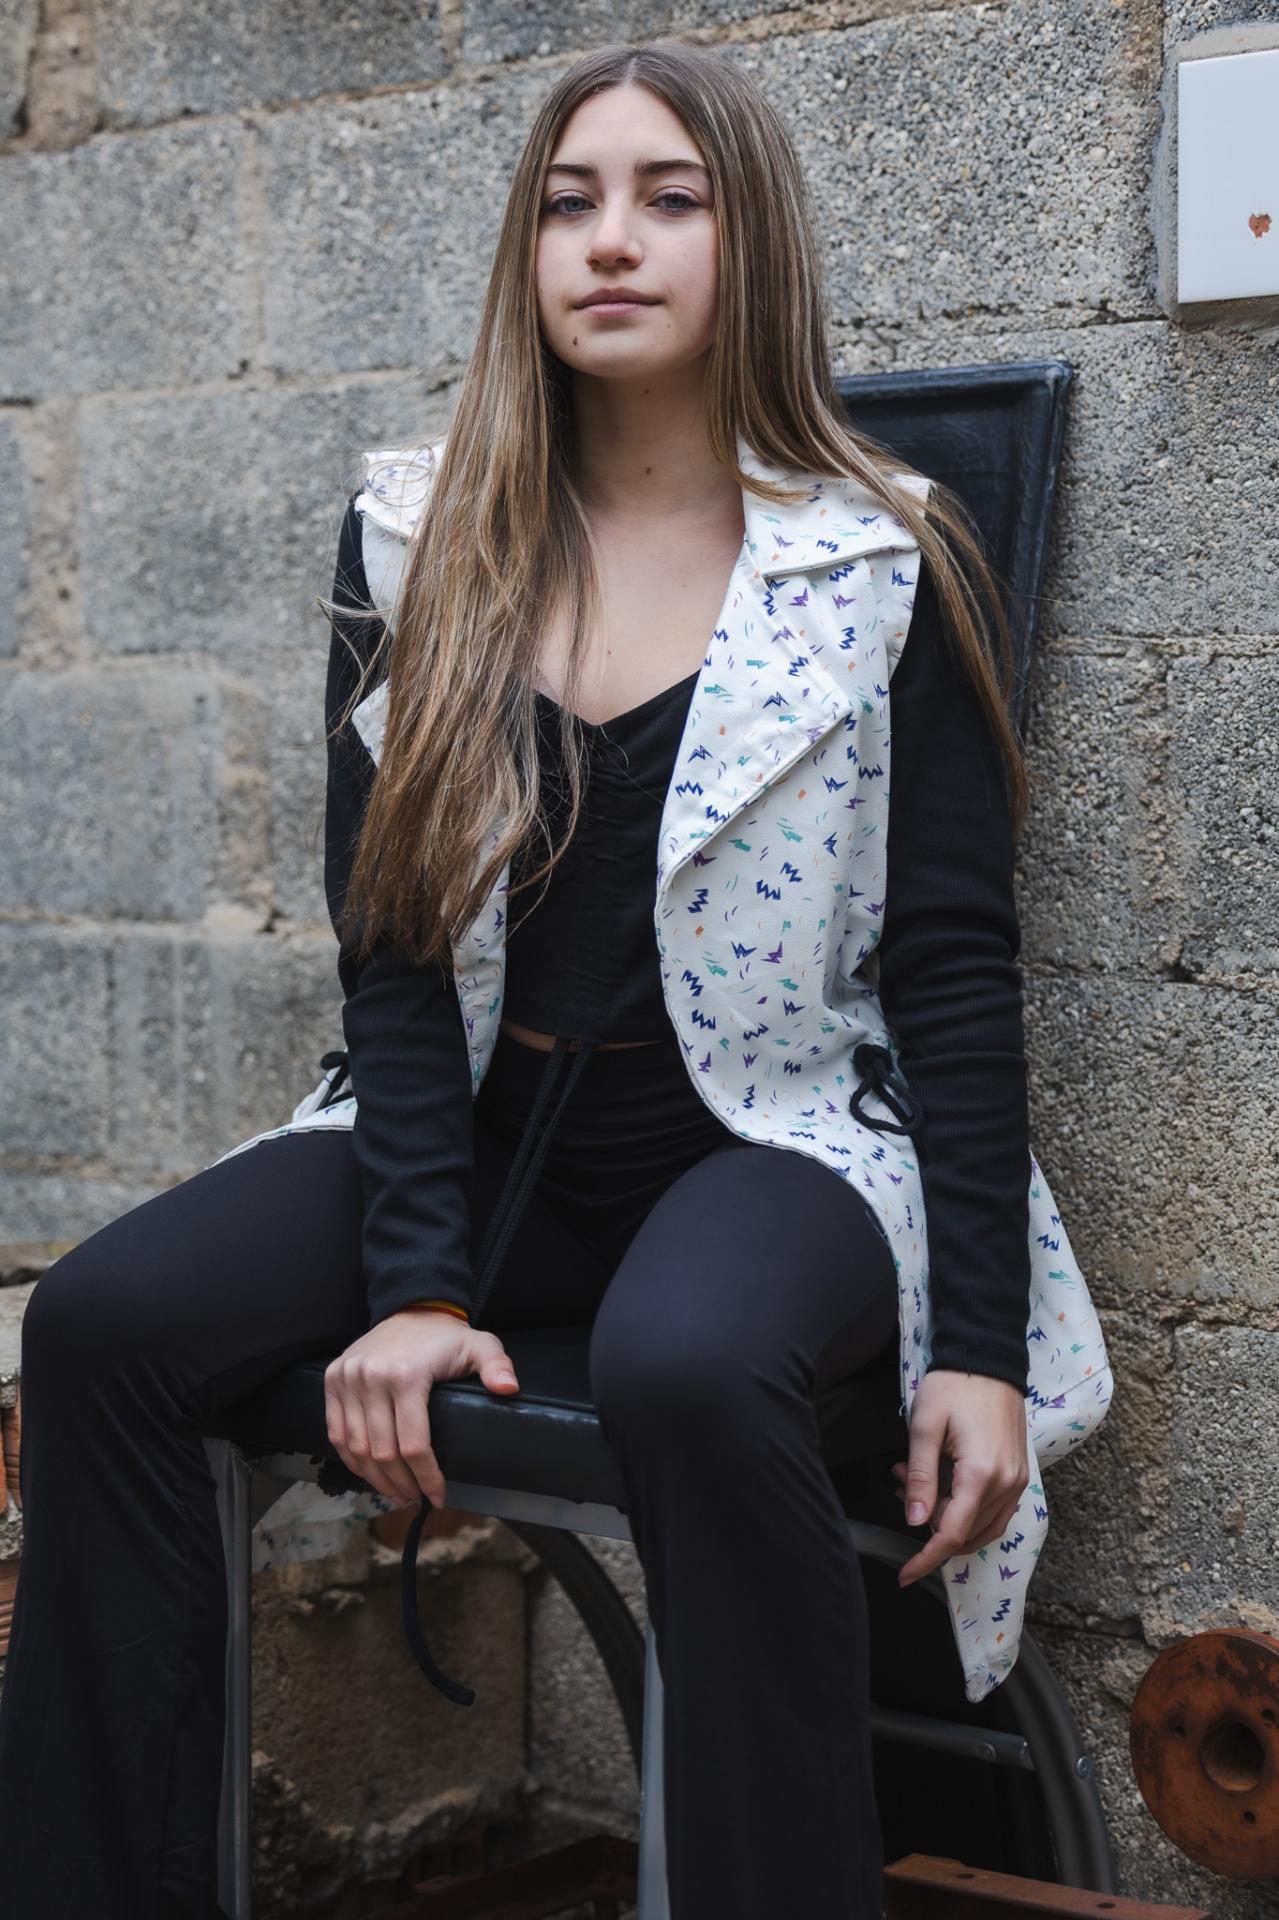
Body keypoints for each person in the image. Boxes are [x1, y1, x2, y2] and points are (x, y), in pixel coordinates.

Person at [0, 38, 1051, 1920]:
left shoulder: (881, 557)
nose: (610, 241)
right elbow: (394, 941)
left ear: (752, 240)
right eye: (569, 204)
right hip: (474, 1138)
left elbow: (960, 968)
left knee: (688, 1360)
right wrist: (417, 1282)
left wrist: (979, 1347)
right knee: (96, 1325)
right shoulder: (416, 543)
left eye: (669, 198)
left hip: (768, 1143)